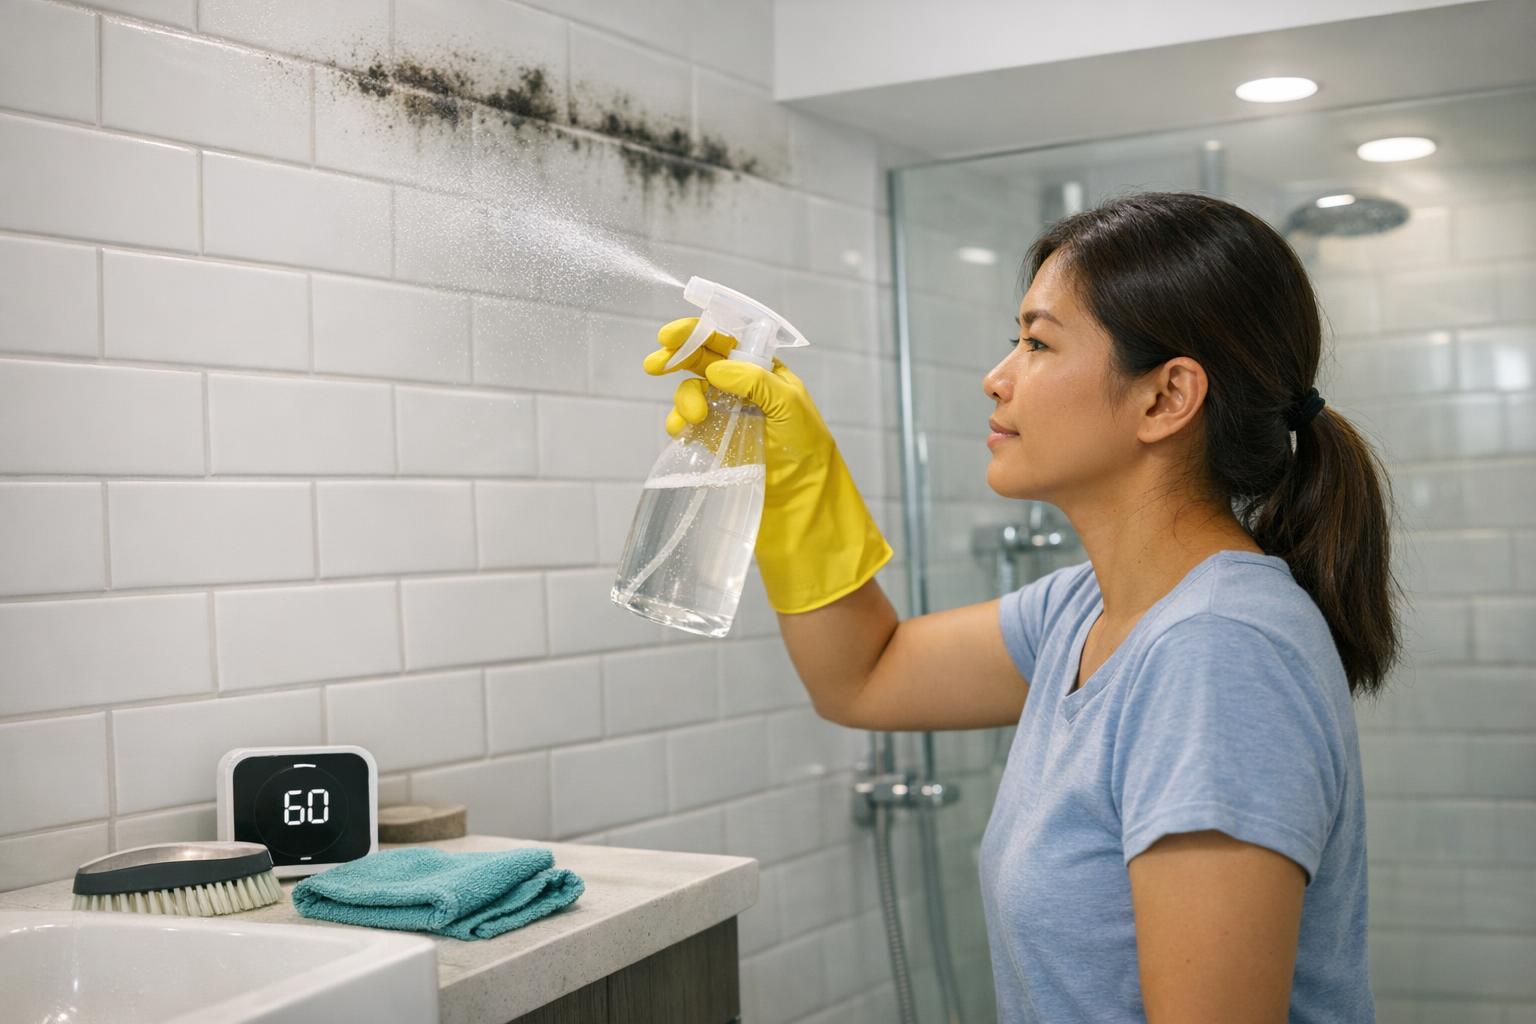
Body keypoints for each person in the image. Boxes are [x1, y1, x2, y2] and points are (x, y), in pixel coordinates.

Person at [644, 190, 1399, 1023]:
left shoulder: (1216, 654)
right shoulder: (1089, 609)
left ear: (1166, 398)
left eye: (1038, 342)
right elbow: (864, 677)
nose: (997, 377)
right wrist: (797, 481)